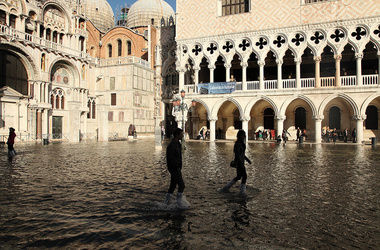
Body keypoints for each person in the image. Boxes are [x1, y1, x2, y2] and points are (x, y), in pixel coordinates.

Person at [163, 128, 190, 209]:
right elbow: (170, 159)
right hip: (174, 168)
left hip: (177, 168)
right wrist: (175, 168)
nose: (183, 135)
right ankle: (179, 203)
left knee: (173, 186)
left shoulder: (177, 143)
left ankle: (166, 203)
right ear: (177, 135)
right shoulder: (172, 145)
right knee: (182, 185)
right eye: (181, 134)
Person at [220, 130, 252, 195]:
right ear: (240, 136)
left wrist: (247, 160)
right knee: (244, 176)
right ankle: (242, 192)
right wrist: (240, 163)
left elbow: (242, 154)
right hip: (239, 162)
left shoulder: (241, 143)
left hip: (240, 162)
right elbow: (237, 154)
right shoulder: (238, 144)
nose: (245, 136)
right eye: (244, 135)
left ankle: (226, 188)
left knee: (239, 176)